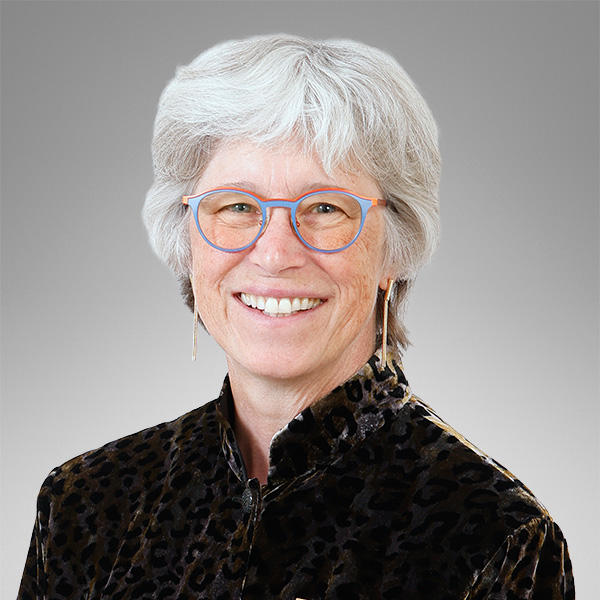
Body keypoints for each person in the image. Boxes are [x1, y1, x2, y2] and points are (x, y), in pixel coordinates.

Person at [19, 34, 574, 599]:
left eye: (325, 208)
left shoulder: (496, 537)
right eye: (238, 206)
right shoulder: (83, 505)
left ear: (395, 250)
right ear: (187, 241)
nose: (275, 254)